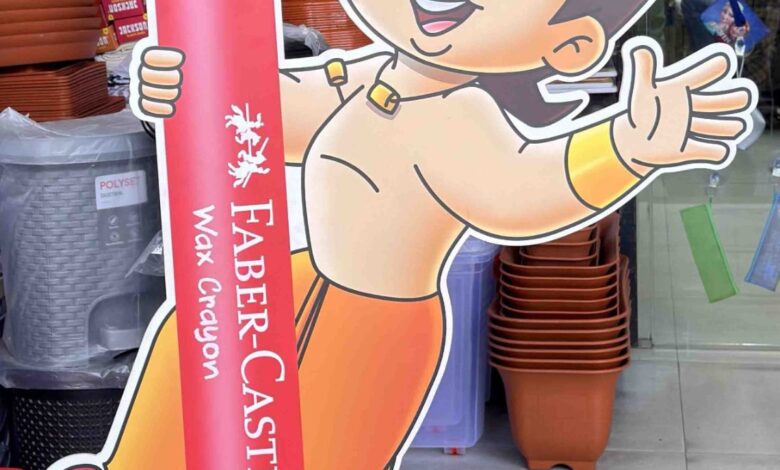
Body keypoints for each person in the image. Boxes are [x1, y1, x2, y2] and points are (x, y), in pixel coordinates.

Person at [75, 0, 757, 468]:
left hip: (370, 330)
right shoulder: (372, 76)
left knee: (320, 444)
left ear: (570, 45)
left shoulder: (463, 119)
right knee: (192, 378)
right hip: (289, 284)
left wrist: (625, 148)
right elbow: (269, 113)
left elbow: (524, 191)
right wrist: (186, 90)